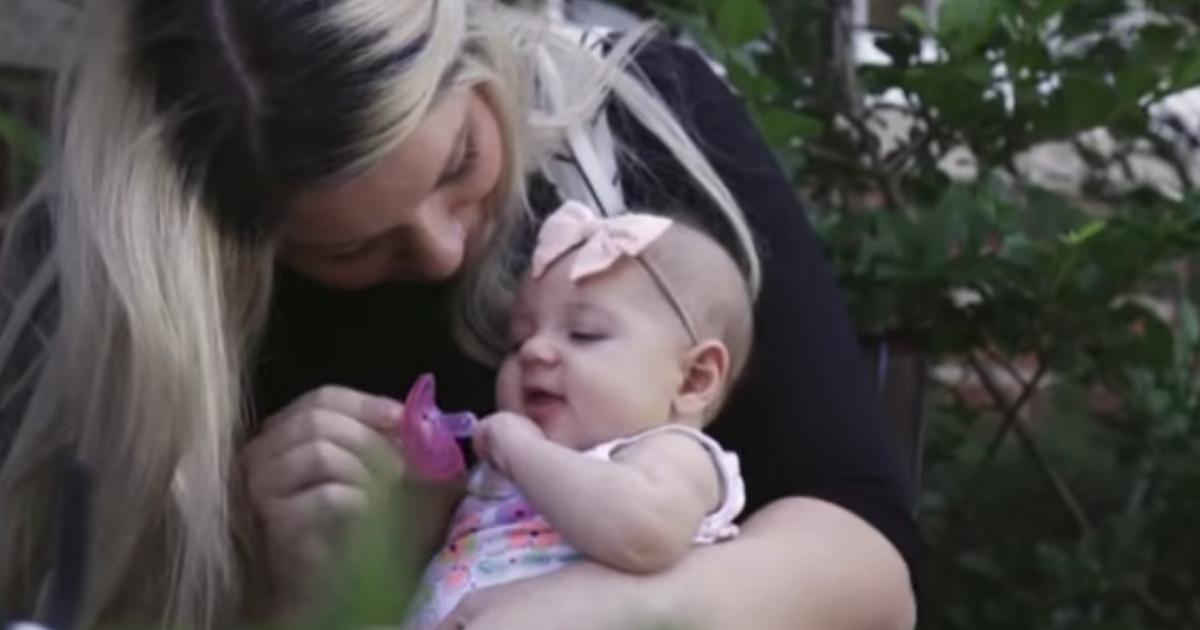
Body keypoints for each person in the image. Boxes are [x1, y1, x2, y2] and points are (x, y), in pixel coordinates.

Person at [0, 0, 919, 629]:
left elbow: (870, 561)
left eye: (461, 163)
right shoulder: (130, 310)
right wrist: (307, 590)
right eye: (349, 251)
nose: (443, 251)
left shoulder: (634, 128)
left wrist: (629, 609)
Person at [404, 200, 753, 630]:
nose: (533, 351)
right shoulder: (509, 470)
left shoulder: (672, 454)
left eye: (583, 334)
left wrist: (523, 451)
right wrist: (426, 487)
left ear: (692, 380)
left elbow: (644, 535)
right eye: (518, 340)